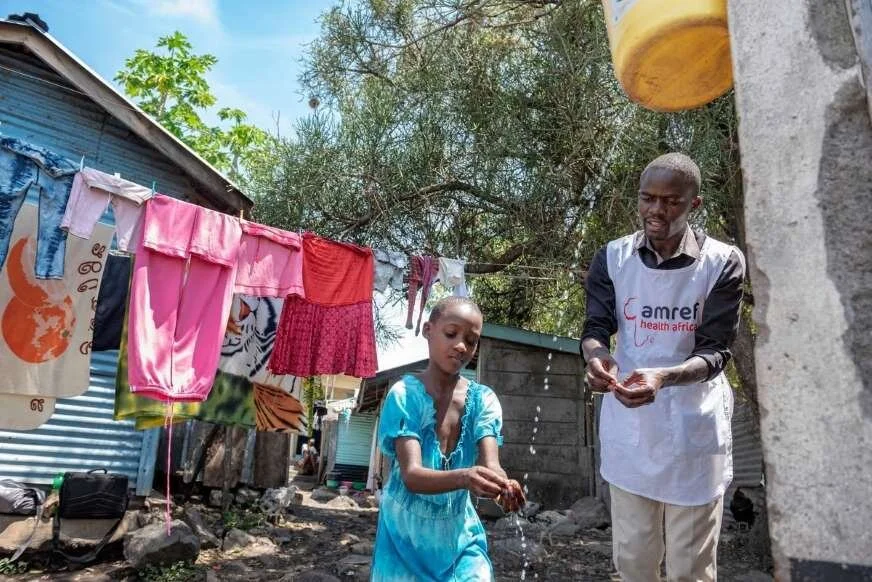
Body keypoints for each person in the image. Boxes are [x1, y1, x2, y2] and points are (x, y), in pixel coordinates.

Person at [581, 153, 746, 582]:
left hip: (695, 427)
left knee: (690, 567)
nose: (656, 210)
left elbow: (715, 351)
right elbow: (596, 328)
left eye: (671, 201)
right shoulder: (612, 258)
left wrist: (664, 376)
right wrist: (596, 357)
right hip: (632, 429)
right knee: (634, 560)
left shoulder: (722, 262)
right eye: (647, 198)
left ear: (694, 204)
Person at [372, 296, 524, 581]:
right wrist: (465, 477)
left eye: (471, 340)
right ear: (428, 331)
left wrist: (503, 486)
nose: (461, 346)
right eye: (451, 333)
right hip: (404, 537)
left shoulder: (483, 400)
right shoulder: (405, 396)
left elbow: (491, 464)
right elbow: (412, 476)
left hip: (458, 535)